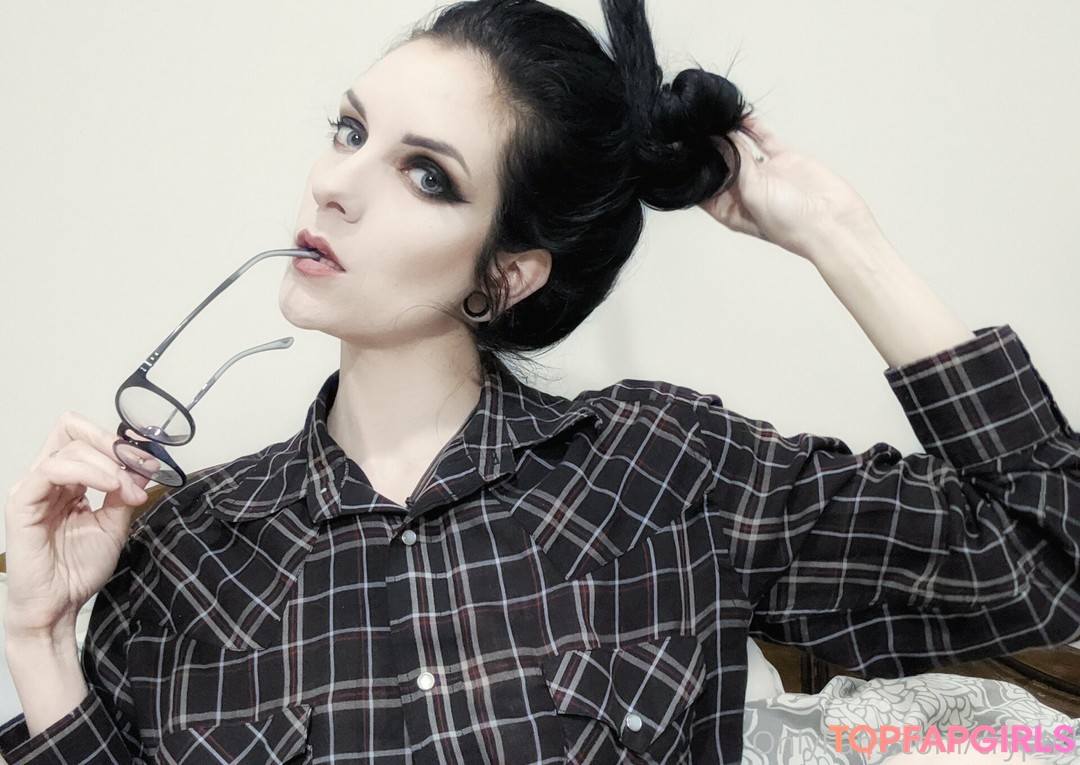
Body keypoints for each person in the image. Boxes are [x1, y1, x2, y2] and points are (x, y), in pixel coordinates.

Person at [2, 0, 1078, 762]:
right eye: (350, 131)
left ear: (505, 275)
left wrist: (838, 234)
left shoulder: (663, 471)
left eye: (426, 174)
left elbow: (1044, 552)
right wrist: (41, 642)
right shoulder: (185, 554)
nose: (335, 185)